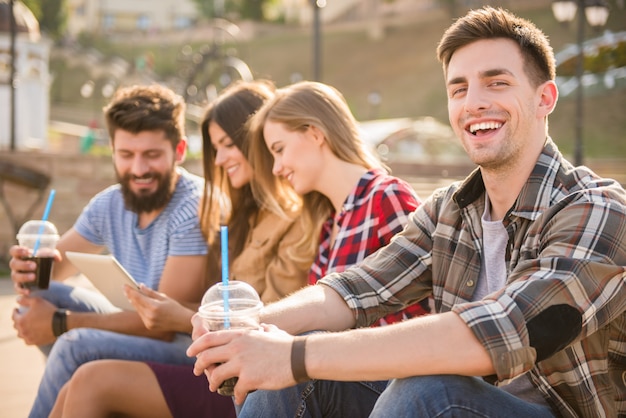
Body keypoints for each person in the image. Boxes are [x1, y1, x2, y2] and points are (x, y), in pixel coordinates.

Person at [188, 7, 626, 418]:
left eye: (497, 82)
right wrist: (249, 327)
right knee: (295, 369)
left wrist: (293, 356)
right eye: (459, 88)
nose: (473, 102)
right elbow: (355, 289)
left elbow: (501, 333)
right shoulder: (450, 211)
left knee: (421, 389)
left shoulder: (597, 209)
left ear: (544, 98)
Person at [50, 79, 430, 418]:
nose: (277, 166)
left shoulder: (385, 197)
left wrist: (213, 325)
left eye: (279, 149)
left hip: (377, 378)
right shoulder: (332, 220)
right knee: (75, 363)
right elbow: (327, 309)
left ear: (315, 134)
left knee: (86, 365)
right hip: (323, 368)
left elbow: (428, 309)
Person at [48, 80, 315, 418]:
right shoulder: (241, 212)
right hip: (218, 358)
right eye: (215, 148)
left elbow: (269, 321)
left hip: (247, 378)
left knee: (85, 369)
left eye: (228, 145)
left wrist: (180, 315)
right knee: (75, 376)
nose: (218, 159)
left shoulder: (288, 219)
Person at [9, 84, 209, 418]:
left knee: (74, 343)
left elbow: (161, 325)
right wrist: (28, 271)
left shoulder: (193, 207)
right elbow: (50, 273)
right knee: (49, 296)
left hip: (187, 347)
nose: (139, 169)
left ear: (179, 150)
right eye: (126, 155)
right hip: (147, 329)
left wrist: (61, 323)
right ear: (113, 151)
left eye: (152, 155)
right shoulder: (109, 204)